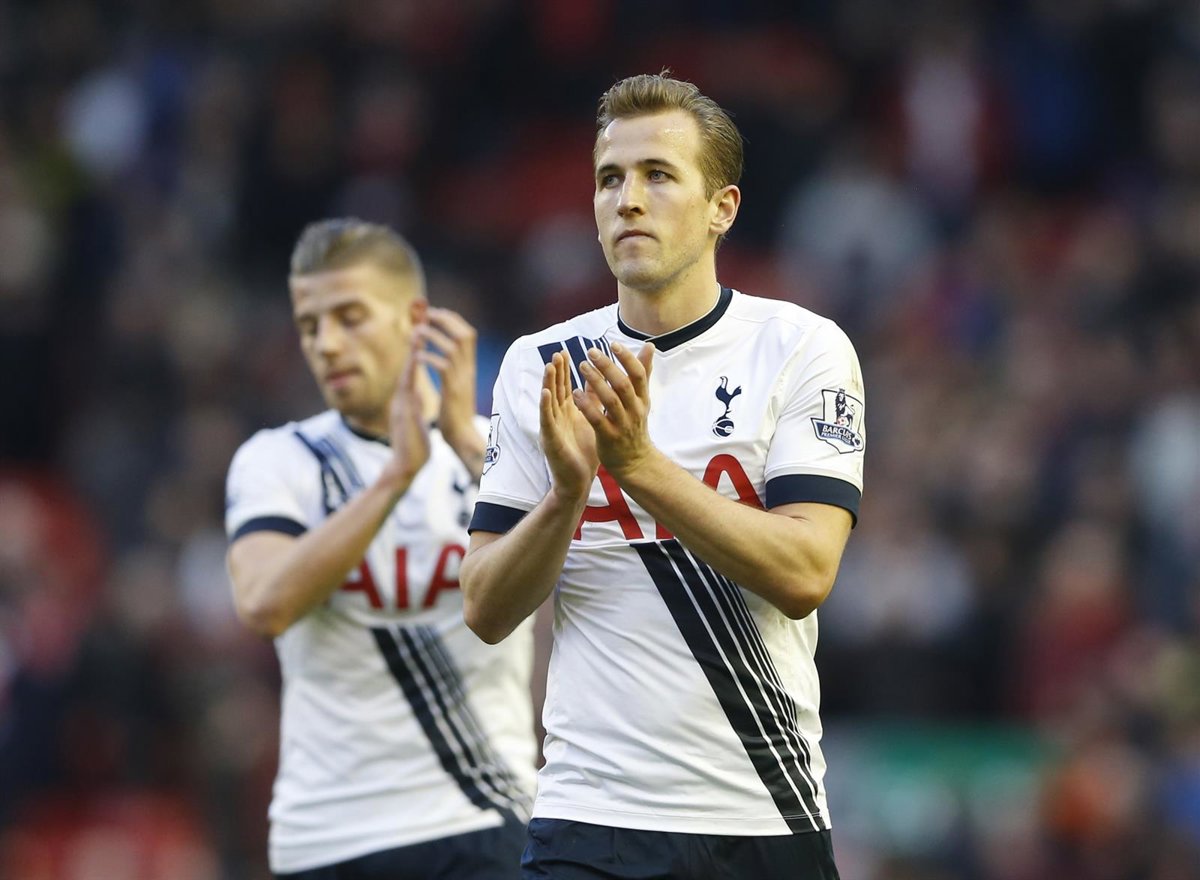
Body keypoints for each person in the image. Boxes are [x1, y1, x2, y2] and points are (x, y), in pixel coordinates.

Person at [460, 73, 865, 879]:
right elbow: (486, 607)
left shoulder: (800, 348)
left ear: (723, 208)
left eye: (658, 175)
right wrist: (566, 498)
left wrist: (638, 466)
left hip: (761, 814)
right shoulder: (543, 365)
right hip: (588, 822)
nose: (629, 201)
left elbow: (805, 572)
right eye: (610, 179)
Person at [224, 219, 537, 879]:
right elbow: (264, 604)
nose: (327, 344)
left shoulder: (499, 451)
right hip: (330, 834)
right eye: (310, 325)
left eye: (350, 317)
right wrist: (395, 478)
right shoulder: (280, 460)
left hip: (483, 817)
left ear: (415, 320)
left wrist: (462, 440)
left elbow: (575, 571)